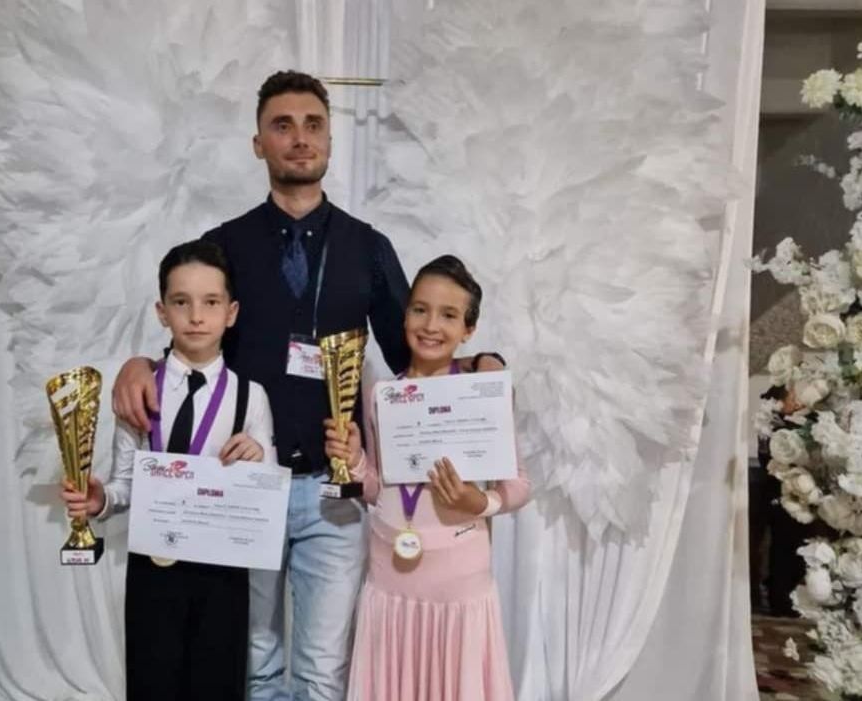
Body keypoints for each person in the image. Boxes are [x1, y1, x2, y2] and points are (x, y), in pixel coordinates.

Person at [111, 70, 505, 700]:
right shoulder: (224, 244)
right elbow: (196, 333)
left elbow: (418, 350)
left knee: (323, 672)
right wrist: (142, 364)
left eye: (313, 124)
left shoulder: (368, 248)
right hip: (246, 488)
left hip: (335, 495)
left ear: (329, 140)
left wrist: (483, 363)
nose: (300, 138)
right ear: (258, 143)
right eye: (282, 125)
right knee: (257, 666)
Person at [62, 240, 275, 700]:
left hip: (223, 571)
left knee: (218, 684)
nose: (196, 316)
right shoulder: (138, 391)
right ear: (162, 312)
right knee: (151, 681)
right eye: (181, 302)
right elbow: (125, 484)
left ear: (231, 313)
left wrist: (258, 462)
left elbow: (268, 496)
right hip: (153, 567)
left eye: (211, 302)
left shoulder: (250, 396)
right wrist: (101, 500)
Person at [325, 255, 531, 701]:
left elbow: (518, 484)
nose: (431, 325)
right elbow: (379, 488)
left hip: (458, 584)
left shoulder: (483, 387)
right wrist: (355, 461)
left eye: (449, 315)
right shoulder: (383, 395)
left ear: (469, 330)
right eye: (420, 309)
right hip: (390, 582)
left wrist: (482, 504)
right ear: (406, 315)